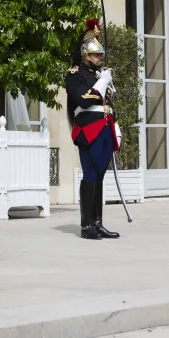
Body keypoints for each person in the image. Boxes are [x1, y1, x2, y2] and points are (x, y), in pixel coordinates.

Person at [66, 19, 121, 241]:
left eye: (100, 54)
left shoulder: (99, 74)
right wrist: (101, 83)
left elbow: (107, 104)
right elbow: (84, 99)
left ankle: (97, 222)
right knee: (90, 174)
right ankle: (86, 225)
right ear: (85, 54)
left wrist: (115, 123)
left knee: (99, 175)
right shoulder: (75, 73)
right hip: (88, 128)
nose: (100, 58)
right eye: (96, 54)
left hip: (104, 129)